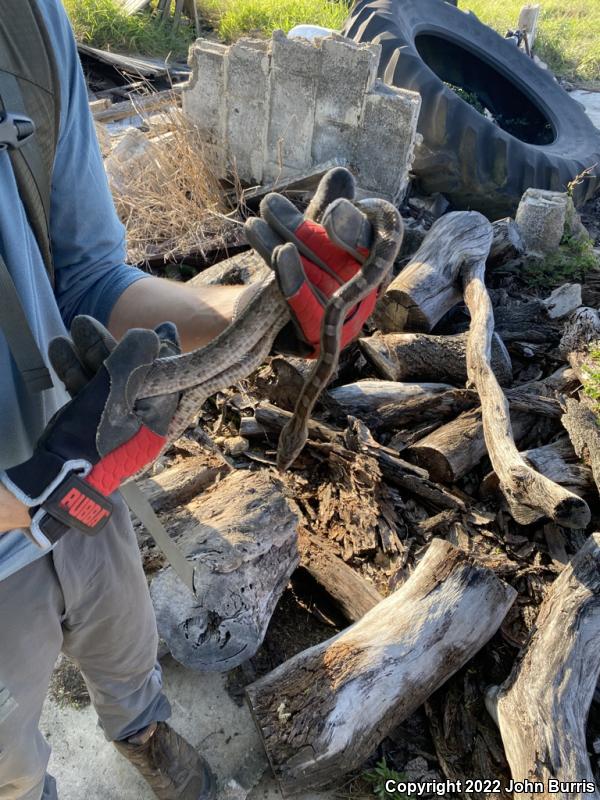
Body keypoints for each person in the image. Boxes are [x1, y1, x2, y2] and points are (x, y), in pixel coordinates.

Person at [0, 2, 393, 799]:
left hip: (86, 477)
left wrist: (264, 312)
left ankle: (144, 737)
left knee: (127, 647)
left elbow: (89, 278)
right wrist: (20, 495)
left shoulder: (26, 27)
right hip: (34, 510)